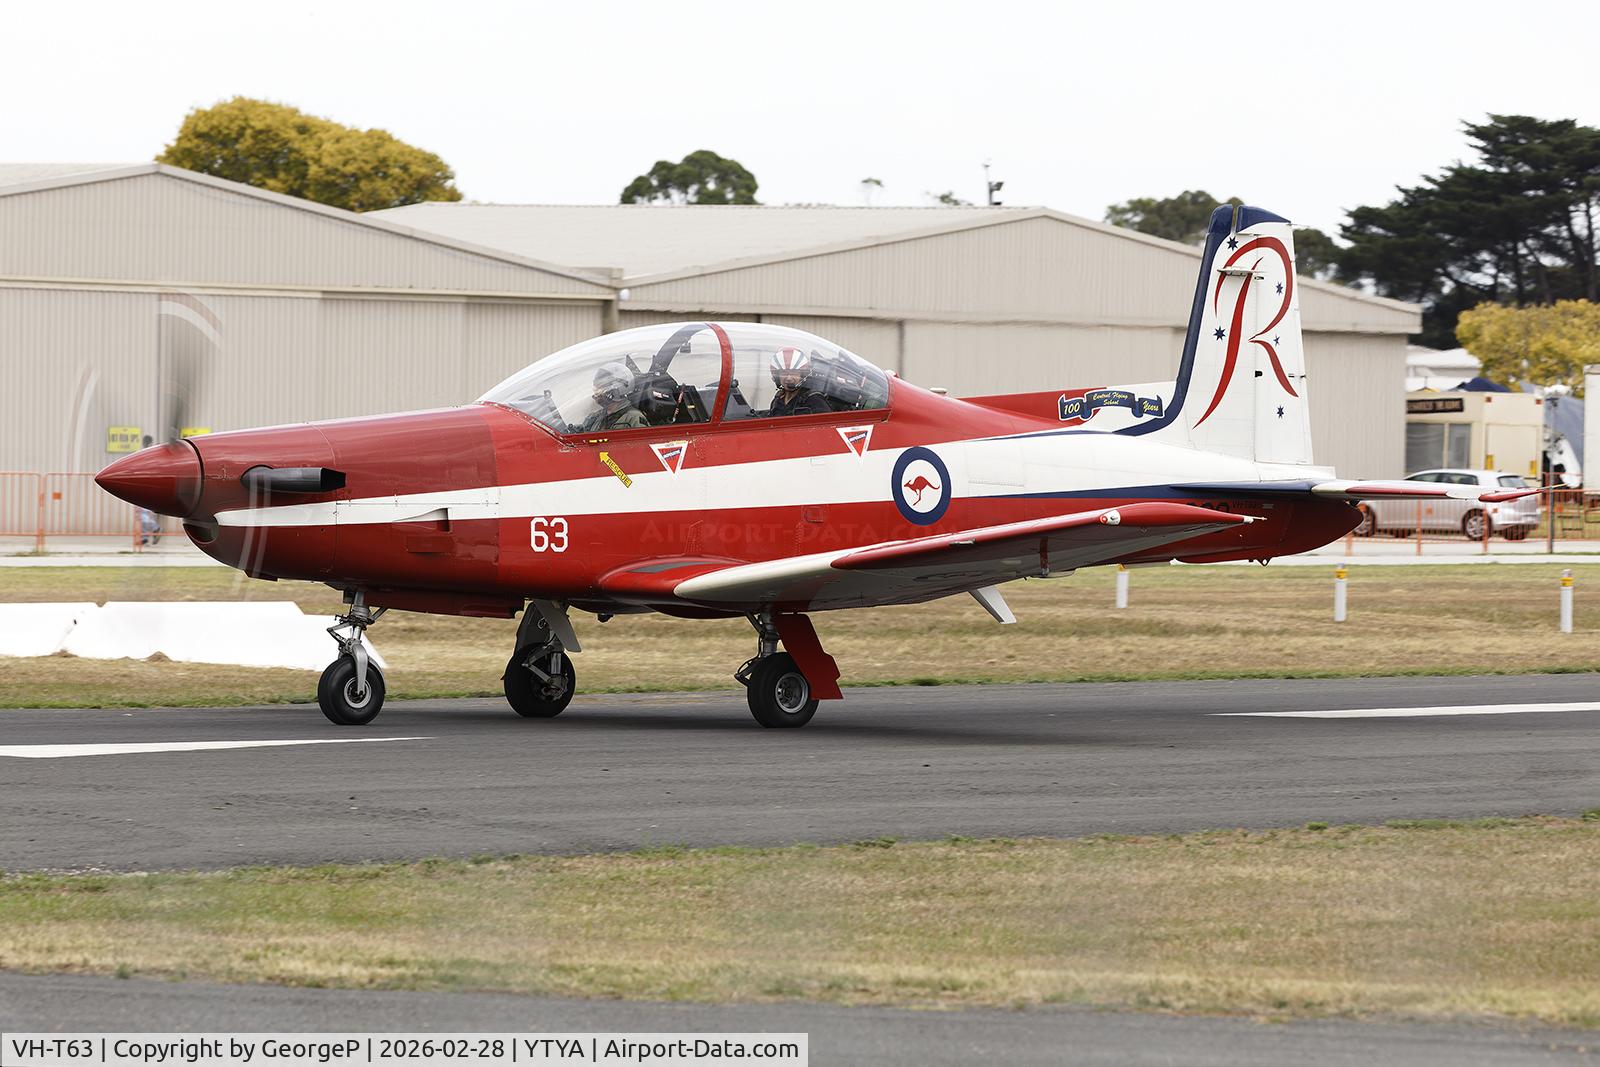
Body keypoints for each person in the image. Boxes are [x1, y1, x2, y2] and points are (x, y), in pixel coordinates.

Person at [578, 362, 647, 433]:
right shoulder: (594, 418)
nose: (595, 390)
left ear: (617, 389)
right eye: (595, 385)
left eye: (600, 386)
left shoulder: (633, 419)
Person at [767, 347, 830, 417]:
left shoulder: (814, 400)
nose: (789, 378)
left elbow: (827, 425)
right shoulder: (778, 400)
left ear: (802, 375)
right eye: (784, 373)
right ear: (777, 377)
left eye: (794, 373)